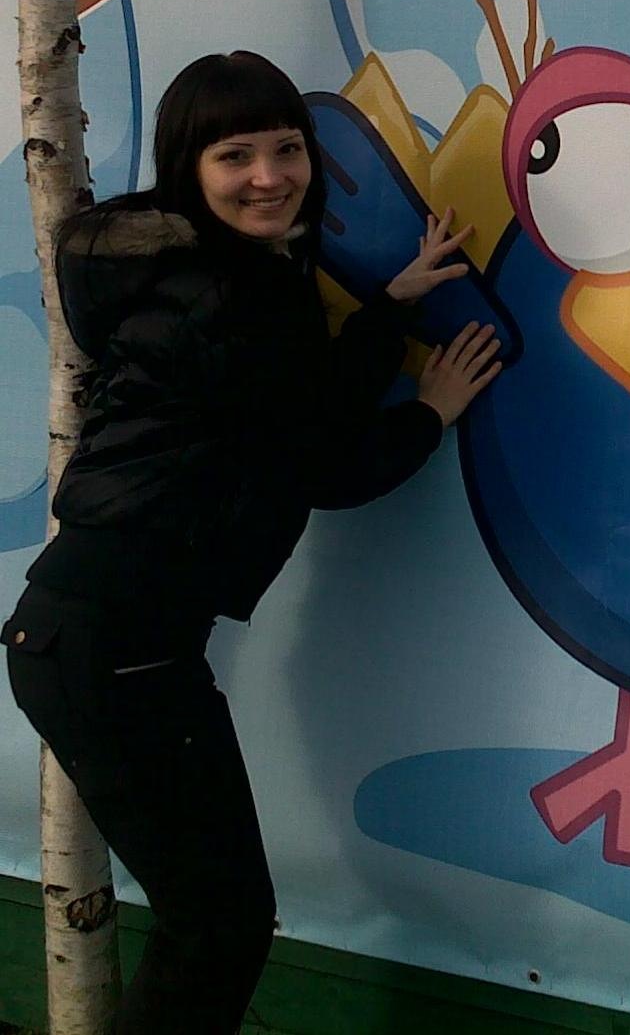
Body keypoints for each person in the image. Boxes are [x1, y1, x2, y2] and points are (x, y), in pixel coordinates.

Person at [1, 51, 501, 1034]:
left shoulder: (182, 271)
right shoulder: (239, 296)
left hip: (84, 639)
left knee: (212, 922)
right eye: (235, 156)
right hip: (120, 656)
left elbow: (286, 403)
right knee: (218, 928)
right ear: (188, 166)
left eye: (287, 149)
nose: (270, 177)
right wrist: (429, 412)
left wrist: (391, 306)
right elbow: (322, 465)